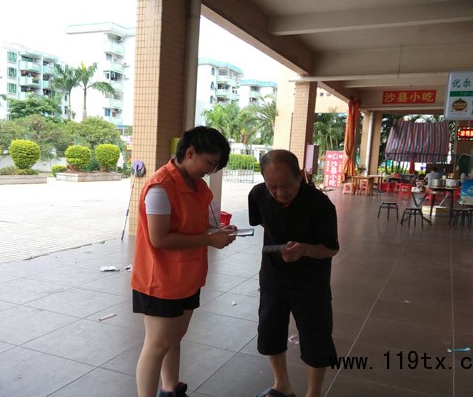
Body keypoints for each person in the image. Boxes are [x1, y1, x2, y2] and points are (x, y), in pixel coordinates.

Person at [131, 126, 237, 397]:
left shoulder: (198, 185)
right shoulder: (160, 187)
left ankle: (171, 389)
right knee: (157, 346)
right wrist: (209, 239)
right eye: (209, 163)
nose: (210, 171)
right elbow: (159, 238)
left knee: (174, 339)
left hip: (188, 276)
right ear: (190, 153)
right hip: (160, 280)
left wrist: (217, 232)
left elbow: (195, 226)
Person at [248, 150, 339, 397]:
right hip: (273, 276)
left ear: (300, 175)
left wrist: (304, 250)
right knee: (270, 331)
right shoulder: (258, 195)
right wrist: (280, 247)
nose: (280, 193)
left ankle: (313, 393)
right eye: (272, 186)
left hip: (311, 281)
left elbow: (331, 248)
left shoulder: (320, 205)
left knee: (316, 337)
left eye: (286, 185)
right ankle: (282, 386)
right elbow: (266, 222)